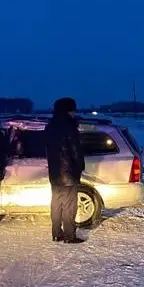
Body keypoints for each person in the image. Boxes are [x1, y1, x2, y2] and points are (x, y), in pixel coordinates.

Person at [44, 97, 85, 243]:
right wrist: (80, 167)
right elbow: (75, 150)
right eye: (73, 110)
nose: (74, 112)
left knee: (56, 204)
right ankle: (69, 236)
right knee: (69, 205)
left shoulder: (50, 126)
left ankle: (56, 233)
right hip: (69, 173)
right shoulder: (69, 126)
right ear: (68, 110)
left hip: (54, 173)